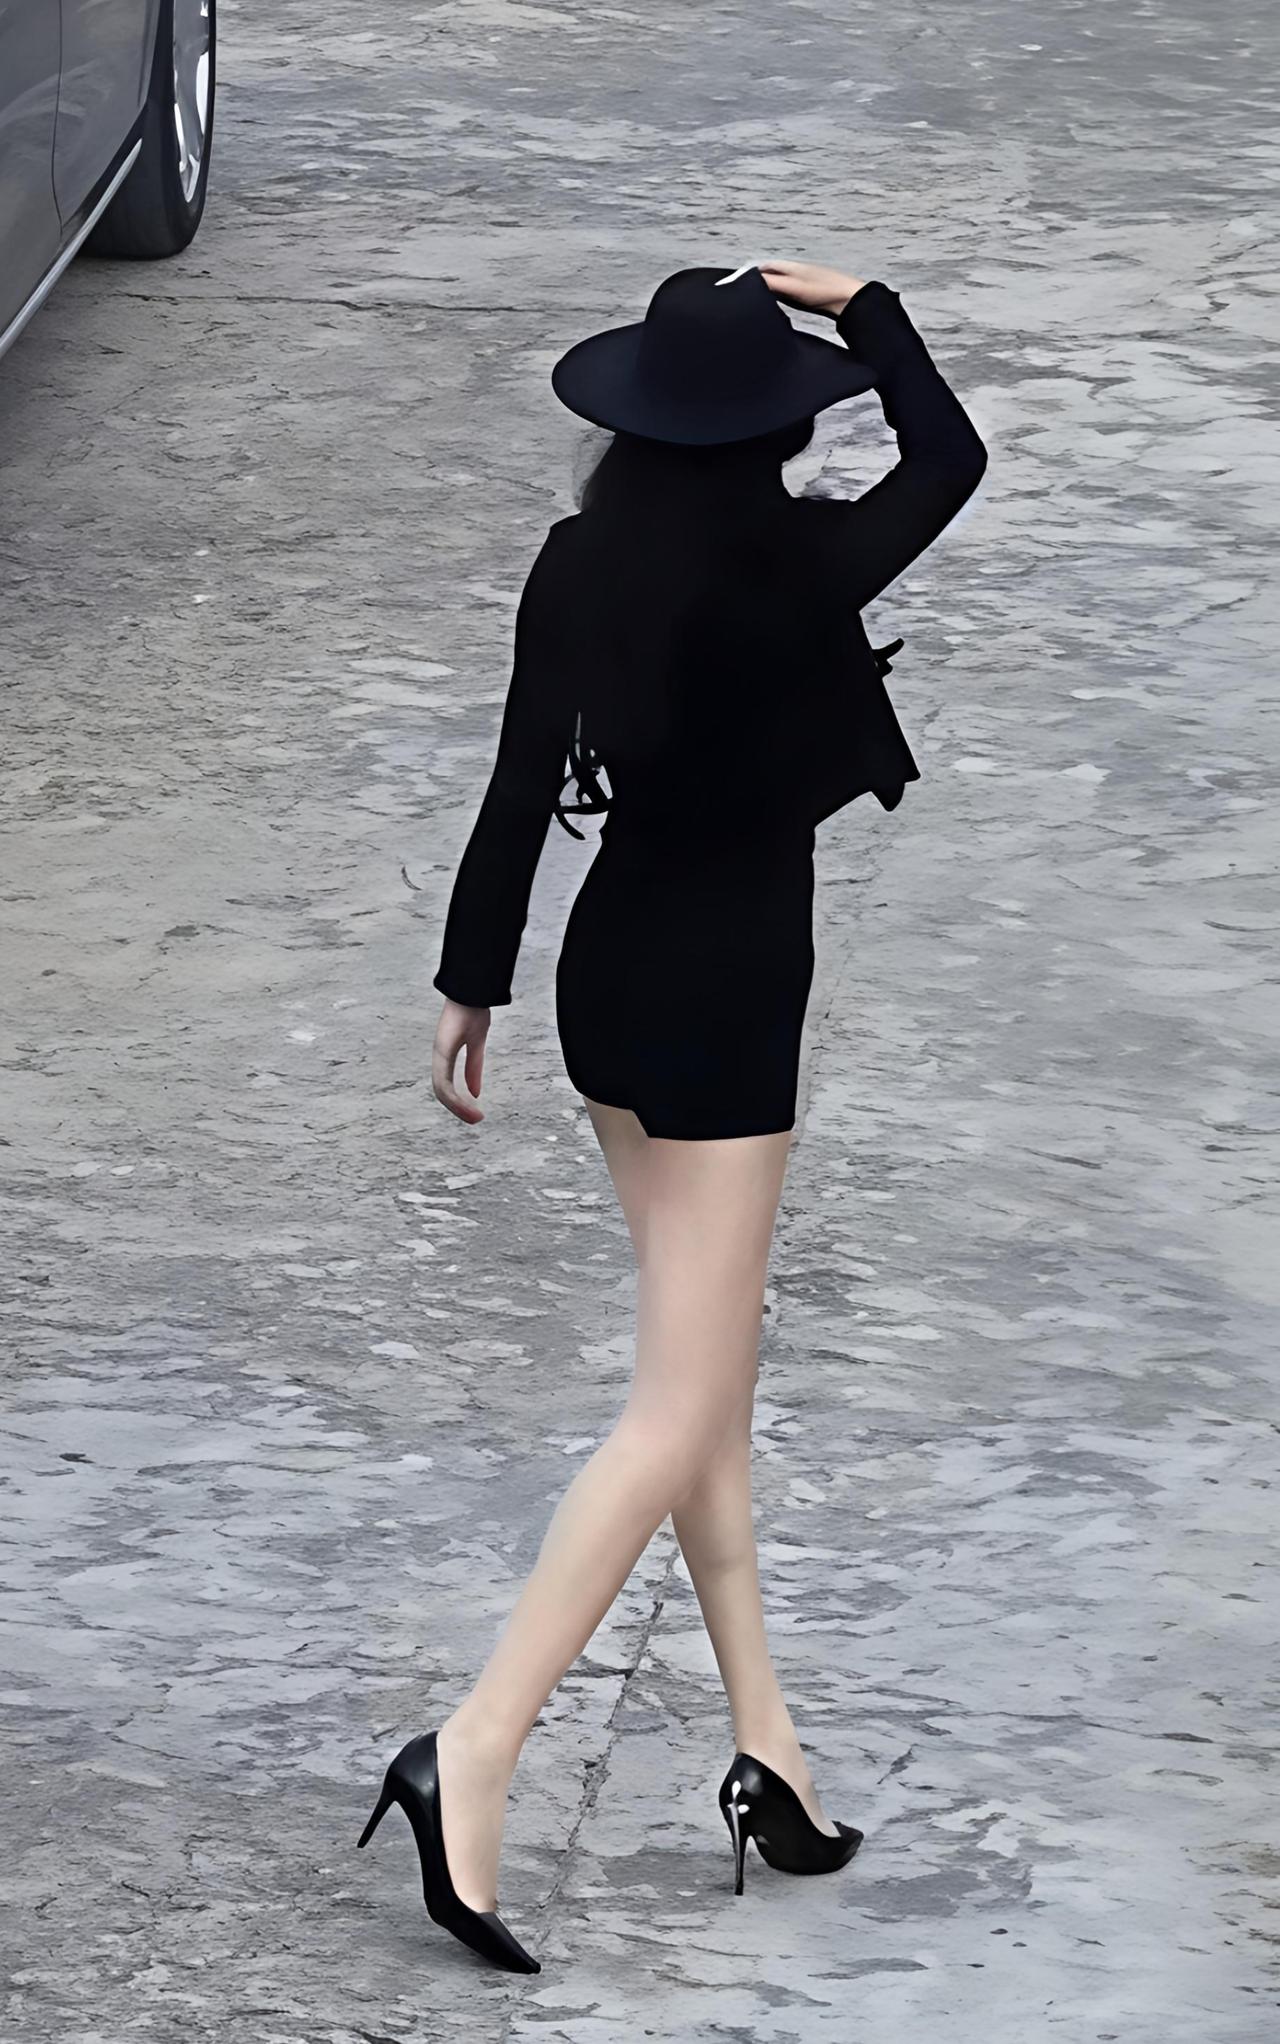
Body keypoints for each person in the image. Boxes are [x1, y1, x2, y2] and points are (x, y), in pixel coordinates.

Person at [356, 259, 989, 1972]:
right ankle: (472, 1749)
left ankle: (769, 1750)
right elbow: (950, 457)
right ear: (772, 425)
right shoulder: (802, 560)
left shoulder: (582, 563)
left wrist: (470, 982)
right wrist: (868, 306)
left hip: (607, 982)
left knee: (706, 1384)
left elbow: (516, 783)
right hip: (728, 1005)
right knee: (678, 1405)